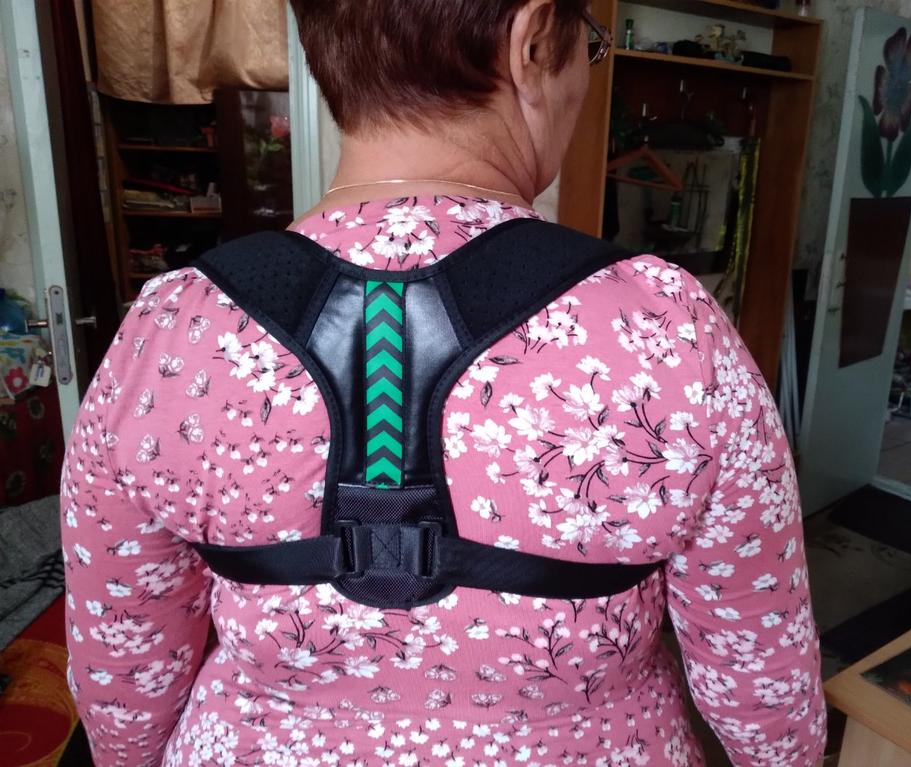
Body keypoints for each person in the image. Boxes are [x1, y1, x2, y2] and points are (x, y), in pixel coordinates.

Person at [60, 1, 826, 764]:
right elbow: (762, 681)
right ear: (532, 44)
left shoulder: (170, 329)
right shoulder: (668, 327)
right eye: (589, 47)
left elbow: (124, 671)